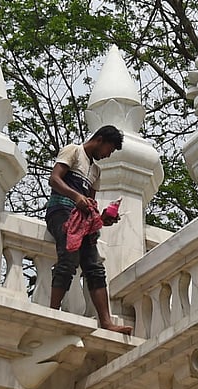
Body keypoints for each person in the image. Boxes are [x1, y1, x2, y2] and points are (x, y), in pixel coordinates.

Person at [45, 125, 132, 335]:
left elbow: (90, 203)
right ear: (99, 140)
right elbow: (54, 179)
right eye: (108, 150)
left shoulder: (95, 171)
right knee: (68, 258)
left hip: (82, 220)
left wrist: (103, 218)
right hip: (61, 210)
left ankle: (107, 322)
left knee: (94, 266)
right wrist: (76, 197)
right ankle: (52, 311)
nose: (107, 155)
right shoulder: (73, 151)